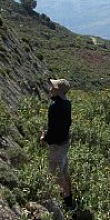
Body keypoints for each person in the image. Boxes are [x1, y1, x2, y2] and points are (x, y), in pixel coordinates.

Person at [40, 78, 73, 209]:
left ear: (57, 91)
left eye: (53, 87)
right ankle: (69, 197)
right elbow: (67, 123)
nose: (50, 89)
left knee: (56, 174)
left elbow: (54, 130)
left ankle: (67, 203)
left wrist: (44, 137)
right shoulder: (67, 103)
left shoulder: (54, 106)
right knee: (64, 171)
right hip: (65, 142)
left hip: (57, 145)